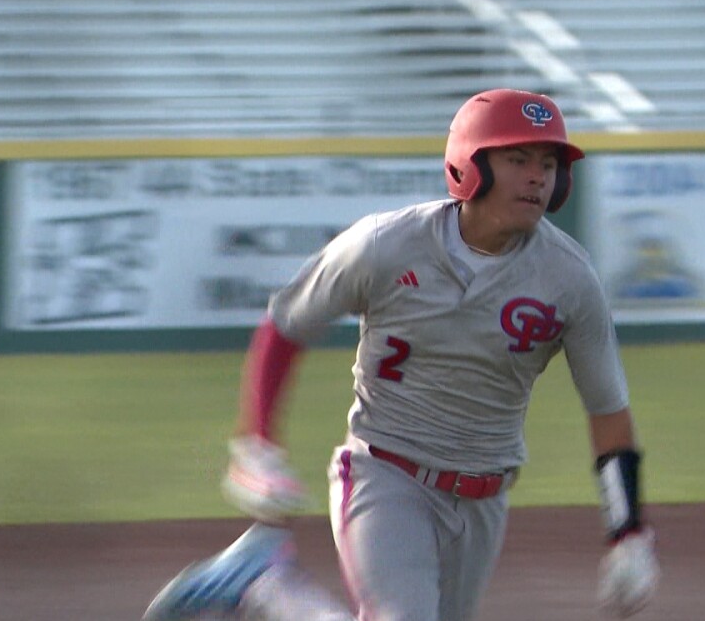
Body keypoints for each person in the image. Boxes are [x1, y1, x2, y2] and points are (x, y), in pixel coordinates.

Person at [143, 88, 659, 621]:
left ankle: (270, 586)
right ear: (470, 164)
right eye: (518, 159)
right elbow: (286, 323)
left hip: (484, 501)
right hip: (386, 474)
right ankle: (270, 594)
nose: (537, 176)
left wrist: (630, 533)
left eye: (549, 164)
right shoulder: (386, 245)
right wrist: (257, 444)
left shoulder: (570, 278)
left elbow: (608, 411)